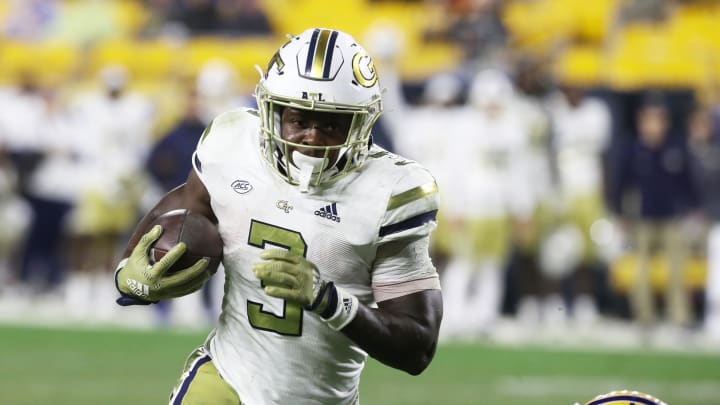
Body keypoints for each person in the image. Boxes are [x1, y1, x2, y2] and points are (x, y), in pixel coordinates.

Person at [114, 28, 443, 404]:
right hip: (226, 379)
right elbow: (185, 205)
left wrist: (328, 300)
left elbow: (416, 348)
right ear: (271, 111)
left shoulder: (392, 191)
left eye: (332, 124)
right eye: (299, 120)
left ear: (362, 123)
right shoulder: (233, 141)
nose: (312, 137)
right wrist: (130, 271)